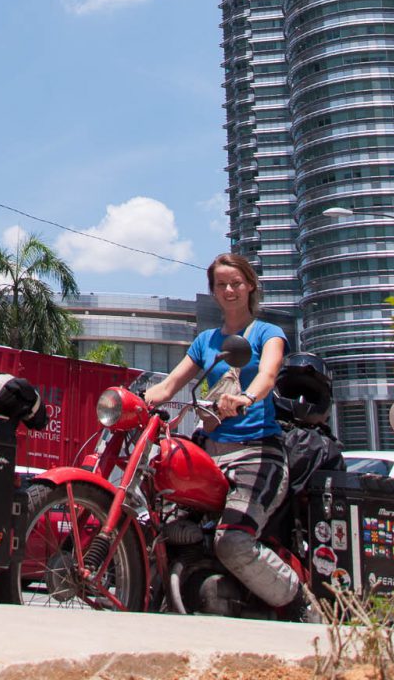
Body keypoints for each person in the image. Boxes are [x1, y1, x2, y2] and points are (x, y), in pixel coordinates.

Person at [142, 251, 303, 614]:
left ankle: (299, 605)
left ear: (250, 286)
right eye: (221, 284)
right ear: (213, 292)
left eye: (235, 282)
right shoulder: (206, 341)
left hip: (256, 452)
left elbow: (268, 375)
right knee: (165, 527)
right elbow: (169, 386)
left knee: (232, 541)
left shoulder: (268, 333)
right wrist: (132, 400)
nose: (228, 289)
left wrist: (245, 397)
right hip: (210, 451)